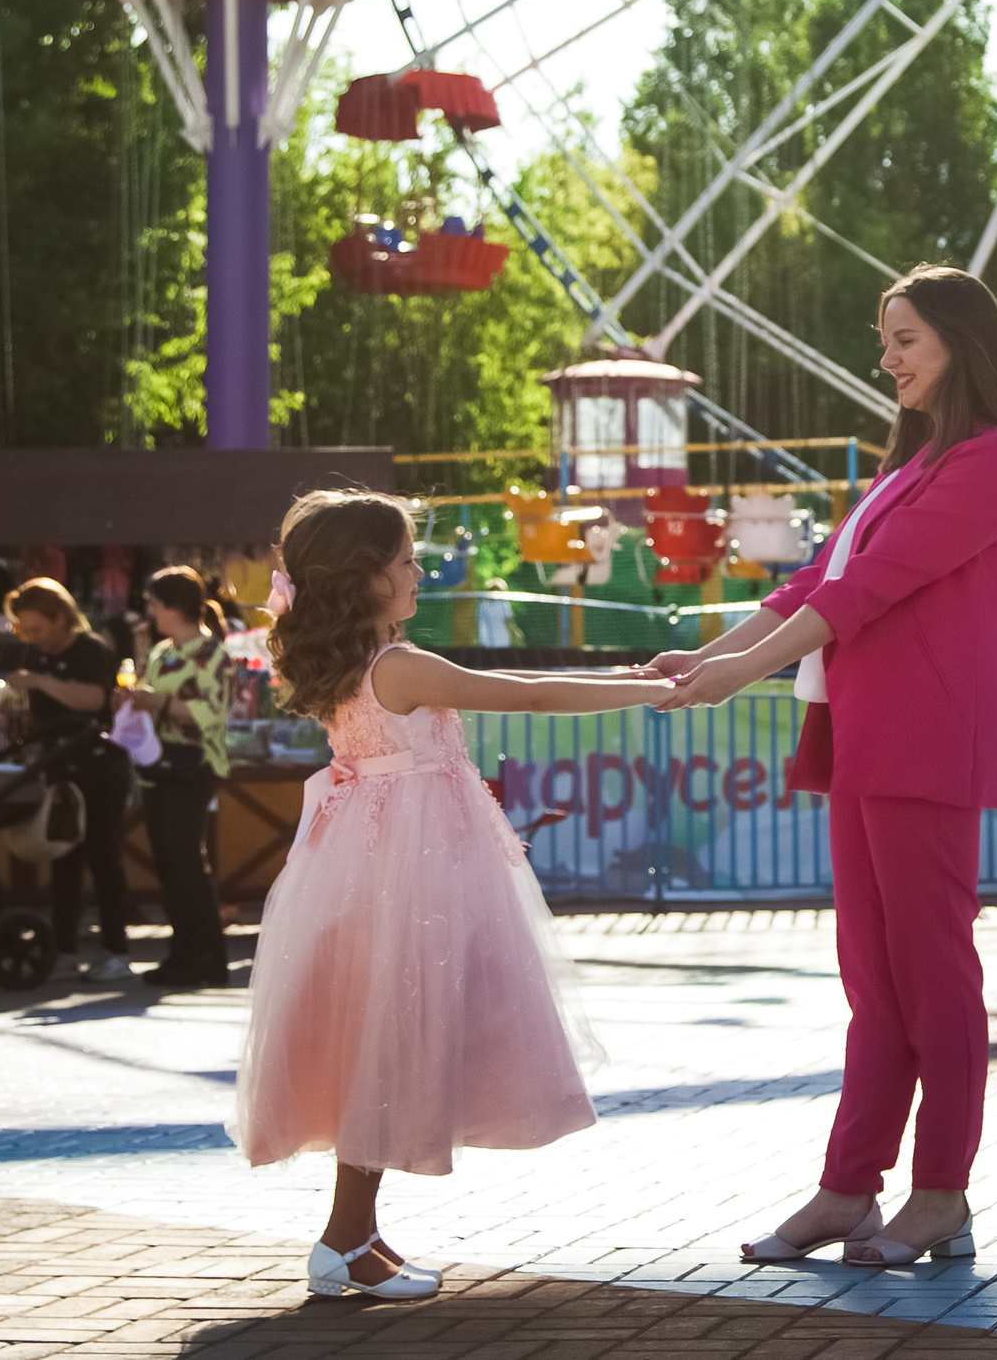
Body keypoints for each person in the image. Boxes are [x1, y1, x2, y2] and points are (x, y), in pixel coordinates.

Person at [647, 264, 997, 1270]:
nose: (888, 359)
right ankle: (847, 1189)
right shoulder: (911, 466)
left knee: (934, 979)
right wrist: (706, 655)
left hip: (925, 743)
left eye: (906, 340)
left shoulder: (990, 462)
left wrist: (736, 675)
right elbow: (816, 583)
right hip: (863, 740)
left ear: (959, 343)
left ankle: (940, 1191)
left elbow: (863, 593)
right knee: (873, 982)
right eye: (884, 340)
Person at [233, 488, 677, 1299]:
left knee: (382, 1037)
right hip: (411, 867)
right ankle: (343, 1240)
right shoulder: (396, 666)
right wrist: (645, 686)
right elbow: (528, 692)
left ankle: (355, 1232)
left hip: (371, 861)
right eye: (406, 560)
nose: (418, 572)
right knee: (394, 1035)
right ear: (366, 577)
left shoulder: (347, 663)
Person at [5, 577, 133, 981]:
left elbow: (94, 699)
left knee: (104, 856)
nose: (32, 637)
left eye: (37, 628)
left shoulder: (91, 649)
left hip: (98, 765)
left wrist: (39, 681)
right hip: (58, 765)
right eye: (24, 630)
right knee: (63, 857)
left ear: (60, 617)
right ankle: (63, 946)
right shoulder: (35, 654)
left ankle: (115, 948)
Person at [118, 566, 238, 989]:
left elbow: (213, 713)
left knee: (187, 861)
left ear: (173, 607)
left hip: (194, 765)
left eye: (154, 603)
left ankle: (209, 957)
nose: (150, 612)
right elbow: (150, 699)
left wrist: (158, 702)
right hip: (158, 764)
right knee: (168, 863)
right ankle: (182, 954)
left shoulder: (213, 654)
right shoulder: (161, 653)